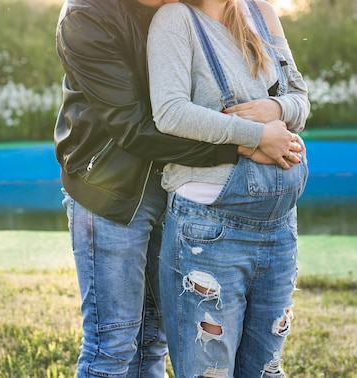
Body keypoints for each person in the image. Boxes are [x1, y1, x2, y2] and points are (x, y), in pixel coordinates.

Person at [53, 0, 303, 377]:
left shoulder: (175, 10)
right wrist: (245, 144)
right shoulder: (87, 16)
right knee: (113, 343)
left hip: (167, 187)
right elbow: (136, 128)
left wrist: (275, 110)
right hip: (110, 189)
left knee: (153, 340)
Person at [147, 0, 310, 376]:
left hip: (279, 229)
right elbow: (169, 112)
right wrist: (257, 137)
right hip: (207, 231)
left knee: (265, 369)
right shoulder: (175, 20)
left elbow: (300, 99)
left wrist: (275, 109)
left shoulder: (262, 13)